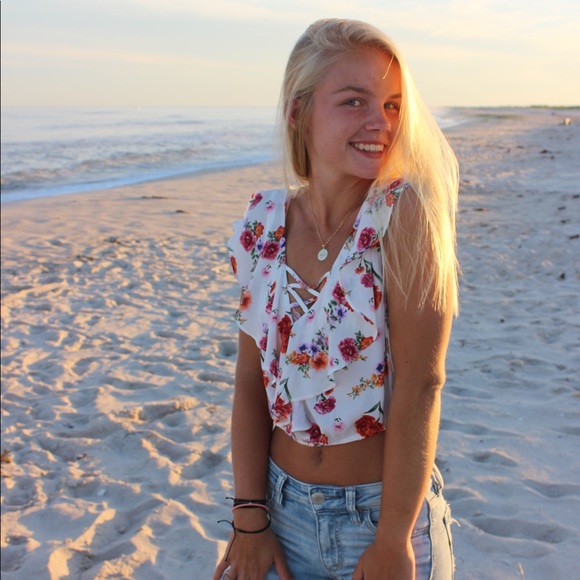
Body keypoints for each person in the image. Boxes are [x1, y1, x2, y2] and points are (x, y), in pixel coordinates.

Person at [213, 18, 459, 580]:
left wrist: (393, 539)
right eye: (354, 101)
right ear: (298, 112)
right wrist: (248, 517)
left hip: (380, 517)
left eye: (393, 105)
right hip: (278, 512)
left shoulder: (403, 215)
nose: (380, 122)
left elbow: (422, 383)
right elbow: (250, 380)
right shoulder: (264, 222)